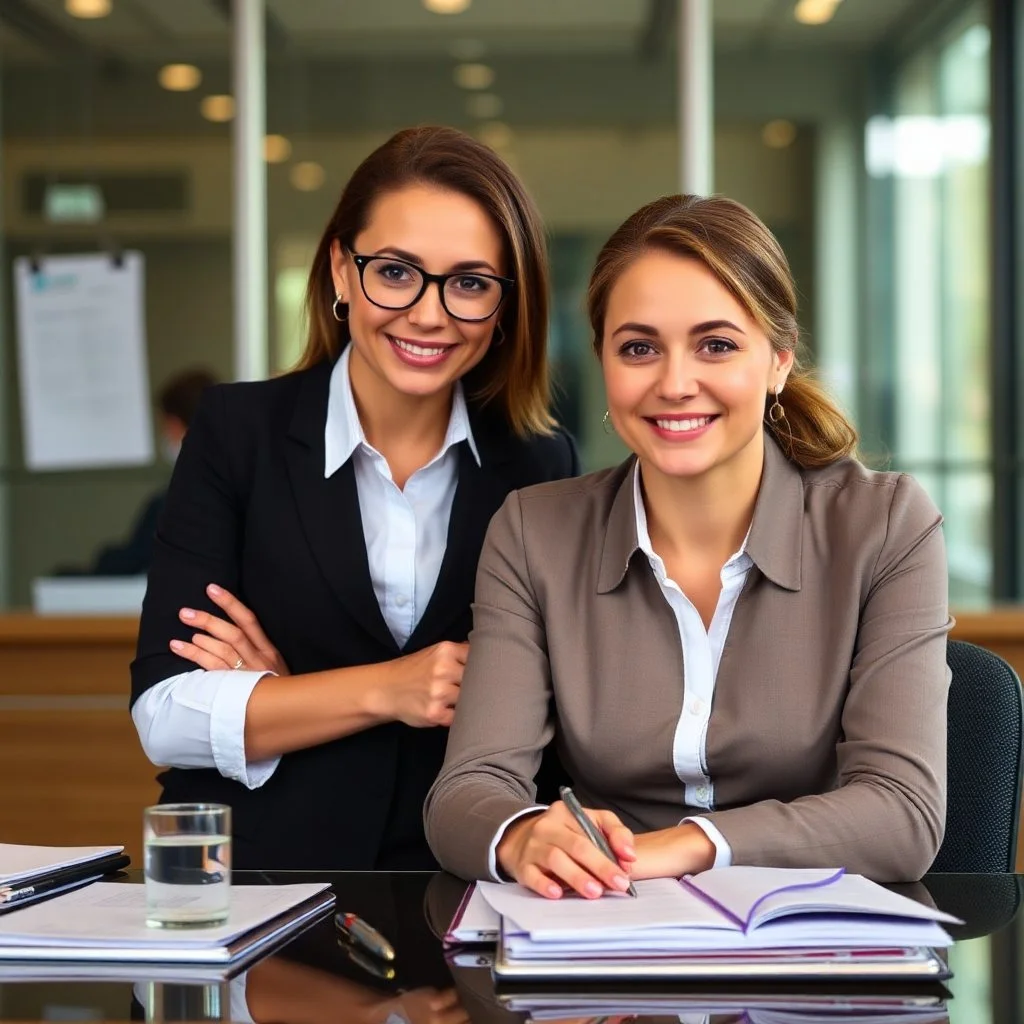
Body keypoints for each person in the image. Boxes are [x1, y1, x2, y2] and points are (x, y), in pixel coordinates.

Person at [424, 193, 952, 893]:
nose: (675, 383)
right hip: (606, 943)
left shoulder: (886, 526)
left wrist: (687, 846)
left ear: (778, 362)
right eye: (639, 348)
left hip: (810, 948)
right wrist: (525, 835)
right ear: (604, 366)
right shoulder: (534, 533)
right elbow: (468, 791)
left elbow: (902, 814)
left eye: (717, 345)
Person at [129, 126, 579, 870]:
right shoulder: (238, 433)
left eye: (469, 282)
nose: (429, 314)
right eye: (395, 271)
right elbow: (167, 714)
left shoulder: (539, 463)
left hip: (454, 888)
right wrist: (390, 689)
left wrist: (278, 699)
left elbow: (555, 710)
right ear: (341, 269)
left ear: (505, 306)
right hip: (254, 888)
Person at [54, 368, 219, 578]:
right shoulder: (246, 491)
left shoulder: (170, 503)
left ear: (175, 424)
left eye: (166, 427)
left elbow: (130, 561)